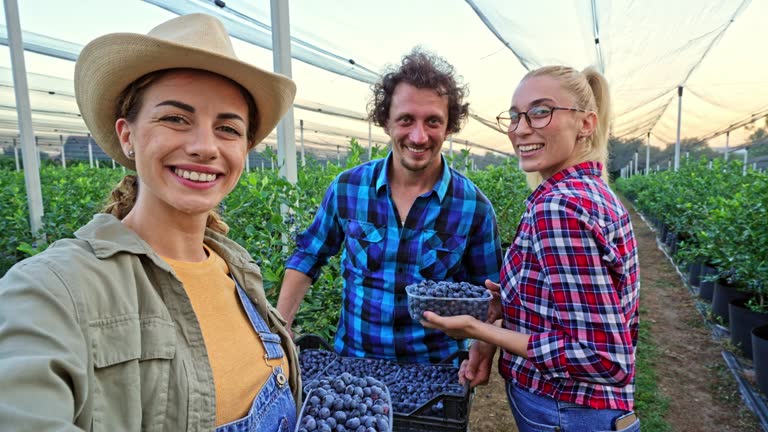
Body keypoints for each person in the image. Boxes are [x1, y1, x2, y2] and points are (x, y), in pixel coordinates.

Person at [0, 14, 301, 431]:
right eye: (175, 118)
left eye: (228, 128)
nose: (204, 147)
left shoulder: (237, 269)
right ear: (127, 135)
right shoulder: (53, 289)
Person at [422, 65, 641, 431]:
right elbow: (569, 308)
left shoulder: (559, 208)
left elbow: (603, 357)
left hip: (567, 412)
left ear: (586, 123)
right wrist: (508, 301)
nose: (521, 128)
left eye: (541, 111)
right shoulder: (589, 194)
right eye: (515, 115)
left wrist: (478, 329)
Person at [277, 48, 502, 363]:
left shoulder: (473, 206)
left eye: (433, 121)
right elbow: (309, 254)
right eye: (406, 120)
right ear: (386, 122)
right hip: (354, 363)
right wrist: (280, 327)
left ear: (449, 126)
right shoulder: (348, 189)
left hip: (435, 369)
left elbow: (489, 292)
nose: (419, 135)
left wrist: (481, 355)